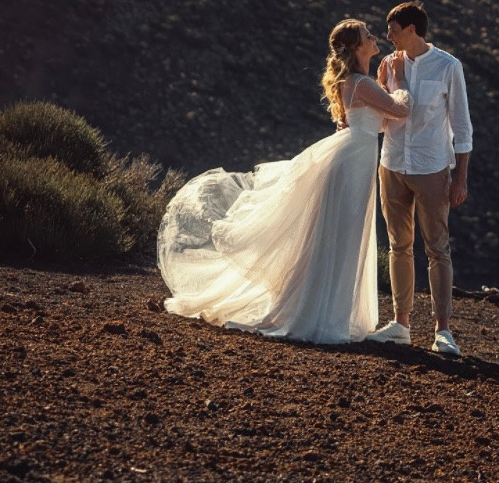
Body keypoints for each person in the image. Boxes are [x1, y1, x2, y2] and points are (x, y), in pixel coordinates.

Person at [156, 20, 409, 345]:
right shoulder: (361, 82)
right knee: (342, 235)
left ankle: (325, 310)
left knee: (340, 236)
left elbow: (381, 123)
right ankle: (323, 315)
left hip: (353, 161)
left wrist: (387, 88)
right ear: (359, 48)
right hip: (352, 165)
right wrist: (400, 83)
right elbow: (400, 111)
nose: (375, 38)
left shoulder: (358, 83)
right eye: (368, 35)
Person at [369, 0, 472, 357]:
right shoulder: (387, 65)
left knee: (437, 248)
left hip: (431, 168)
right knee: (398, 245)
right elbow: (382, 113)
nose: (387, 36)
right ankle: (401, 324)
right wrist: (388, 81)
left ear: (412, 29)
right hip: (392, 163)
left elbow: (461, 126)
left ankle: (443, 330)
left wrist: (460, 179)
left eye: (393, 30)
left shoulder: (448, 66)